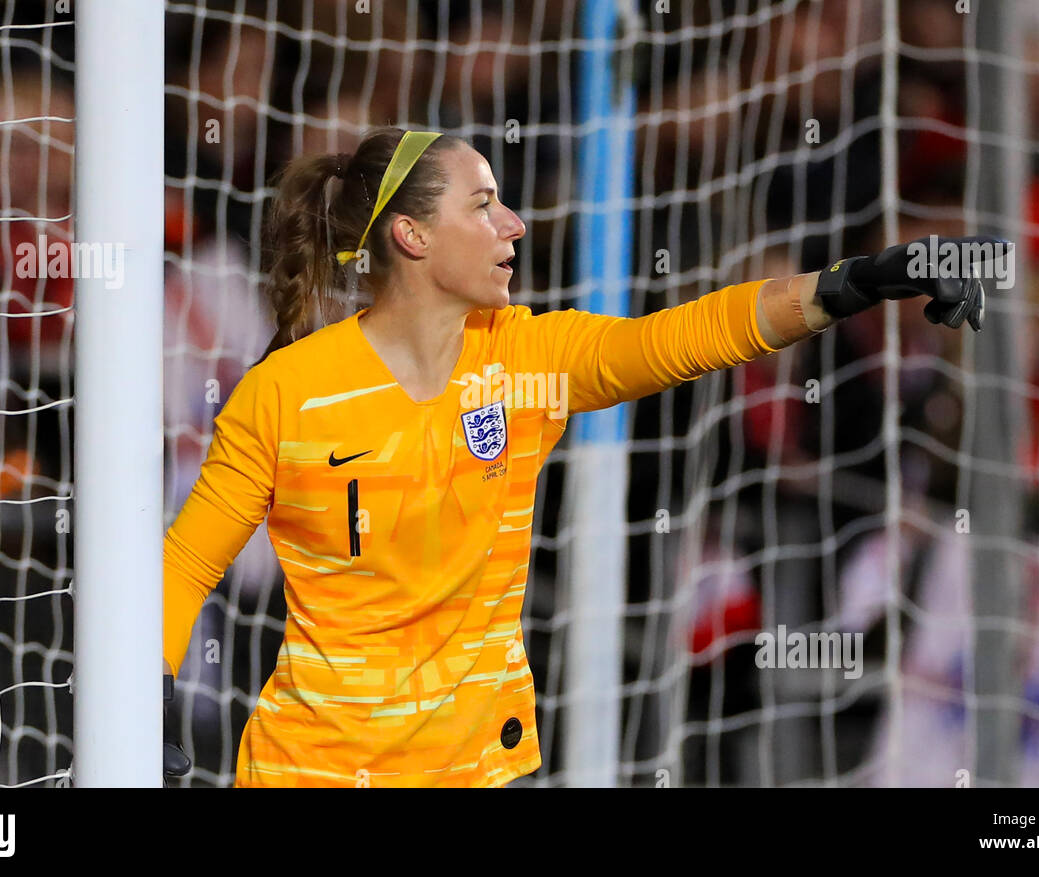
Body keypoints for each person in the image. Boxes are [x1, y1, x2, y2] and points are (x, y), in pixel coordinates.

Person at [161, 125, 997, 787]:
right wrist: (150, 680)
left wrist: (858, 280)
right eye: (483, 205)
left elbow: (688, 335)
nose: (513, 224)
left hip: (475, 769)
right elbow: (187, 560)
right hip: (312, 769)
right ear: (412, 237)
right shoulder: (287, 390)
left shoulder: (526, 357)